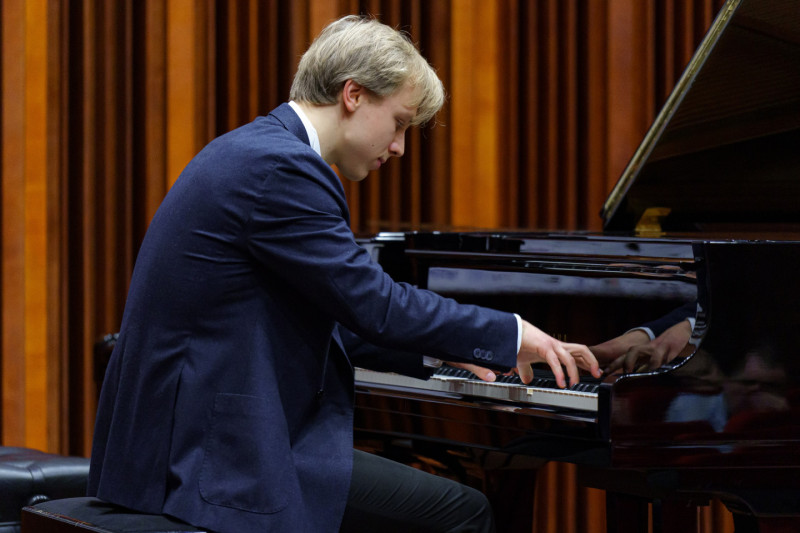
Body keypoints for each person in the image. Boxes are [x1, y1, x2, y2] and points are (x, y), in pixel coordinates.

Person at [88, 15, 601, 533]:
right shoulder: (282, 168)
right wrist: (511, 333)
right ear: (353, 94)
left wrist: (438, 347)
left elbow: (330, 321)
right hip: (212, 458)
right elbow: (376, 305)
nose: (399, 147)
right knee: (463, 514)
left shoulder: (255, 150)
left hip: (180, 443)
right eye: (399, 123)